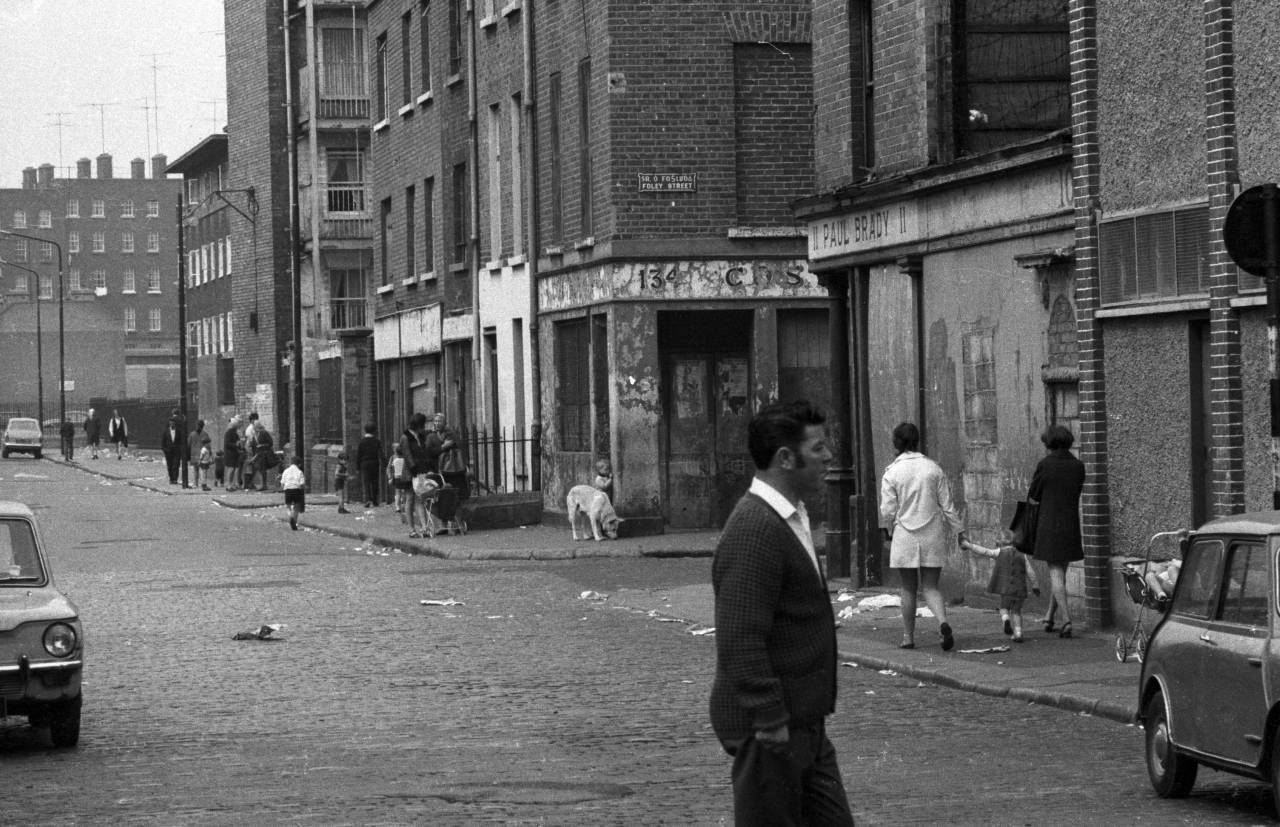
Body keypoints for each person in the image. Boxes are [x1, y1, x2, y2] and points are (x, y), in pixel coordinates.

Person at [709, 400, 854, 826]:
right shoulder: (756, 528)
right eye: (819, 448)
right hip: (771, 730)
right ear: (786, 458)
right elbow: (740, 635)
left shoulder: (791, 516)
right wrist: (768, 715)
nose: (829, 457)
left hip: (804, 723)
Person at [879, 421, 966, 651]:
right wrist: (960, 531)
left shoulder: (892, 472)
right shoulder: (933, 469)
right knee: (931, 587)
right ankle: (943, 623)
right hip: (932, 533)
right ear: (917, 441)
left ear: (896, 443)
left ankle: (908, 637)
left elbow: (887, 511)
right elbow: (947, 506)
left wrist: (888, 529)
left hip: (905, 534)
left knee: (907, 588)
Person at [1028, 424, 1086, 639]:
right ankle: (1049, 617)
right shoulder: (1078, 466)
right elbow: (1077, 491)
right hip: (1070, 523)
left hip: (1049, 523)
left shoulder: (1045, 464)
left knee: (1055, 573)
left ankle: (1066, 619)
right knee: (1060, 572)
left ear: (1049, 443)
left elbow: (1033, 495)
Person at [962, 536, 1040, 642]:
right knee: (1017, 612)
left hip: (1006, 590)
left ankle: (1006, 619)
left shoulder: (1000, 552)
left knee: (1004, 608)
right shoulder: (1023, 555)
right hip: (1020, 590)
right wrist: (1035, 585)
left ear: (1002, 544)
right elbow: (1031, 572)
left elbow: (985, 551)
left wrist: (969, 545)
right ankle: (1018, 633)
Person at [400, 413, 432, 537]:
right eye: (422, 425)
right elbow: (407, 456)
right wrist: (415, 471)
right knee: (410, 499)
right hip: (410, 472)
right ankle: (411, 529)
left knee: (420, 498)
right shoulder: (405, 437)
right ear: (418, 424)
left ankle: (424, 527)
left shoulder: (420, 436)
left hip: (419, 471)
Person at [356, 424, 386, 507]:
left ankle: (367, 499)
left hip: (364, 463)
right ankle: (375, 500)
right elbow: (381, 453)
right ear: (374, 431)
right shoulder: (377, 441)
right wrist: (385, 464)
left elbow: (359, 455)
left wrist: (357, 467)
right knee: (375, 482)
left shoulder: (362, 442)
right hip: (374, 463)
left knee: (366, 482)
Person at [280, 455, 306, 530]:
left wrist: (284, 489)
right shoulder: (299, 472)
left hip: (288, 490)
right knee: (296, 507)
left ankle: (290, 516)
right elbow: (302, 484)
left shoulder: (286, 471)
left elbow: (282, 484)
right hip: (296, 490)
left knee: (288, 507)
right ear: (299, 464)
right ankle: (294, 521)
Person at [187, 419, 211, 490]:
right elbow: (208, 445)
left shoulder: (192, 434)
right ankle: (202, 483)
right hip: (202, 455)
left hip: (194, 455)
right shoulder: (205, 434)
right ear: (203, 426)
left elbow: (188, 444)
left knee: (195, 470)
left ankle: (196, 483)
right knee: (203, 471)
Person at [388, 444, 410, 519]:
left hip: (397, 478)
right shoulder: (405, 460)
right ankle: (405, 506)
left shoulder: (395, 460)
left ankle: (398, 507)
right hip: (405, 478)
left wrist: (391, 477)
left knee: (398, 492)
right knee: (406, 492)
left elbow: (391, 468)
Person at [160, 416, 182, 485]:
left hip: (176, 452)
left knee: (176, 465)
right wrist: (165, 450)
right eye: (170, 423)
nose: (172, 425)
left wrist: (179, 450)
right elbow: (163, 442)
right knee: (169, 466)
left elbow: (181, 442)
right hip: (168, 452)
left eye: (173, 423)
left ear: (175, 424)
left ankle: (175, 479)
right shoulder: (166, 431)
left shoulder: (179, 431)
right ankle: (171, 479)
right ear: (169, 424)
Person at [223, 416, 243, 491]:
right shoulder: (229, 433)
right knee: (231, 469)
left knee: (233, 469)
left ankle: (231, 484)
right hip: (230, 454)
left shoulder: (233, 433)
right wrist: (236, 444)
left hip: (234, 453)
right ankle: (229, 485)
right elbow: (228, 443)